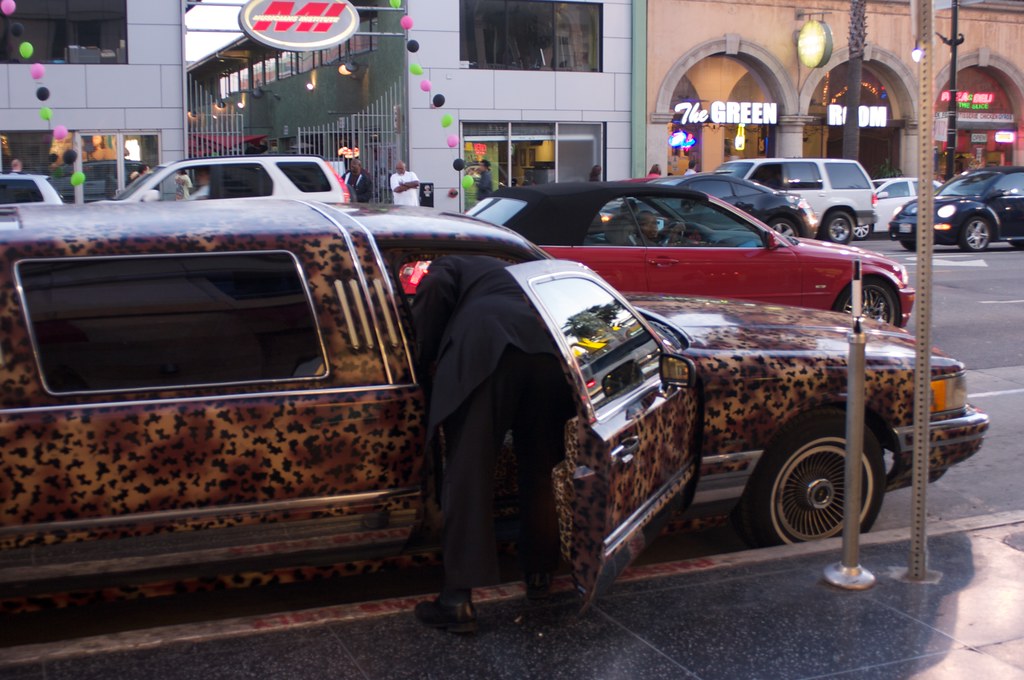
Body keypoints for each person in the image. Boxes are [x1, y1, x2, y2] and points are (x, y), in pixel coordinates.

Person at [411, 255, 575, 634]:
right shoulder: (514, 270)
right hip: (549, 354)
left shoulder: (450, 263)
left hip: (485, 348)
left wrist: (424, 354)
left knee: (469, 473)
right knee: (543, 468)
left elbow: (435, 289)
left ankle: (457, 599)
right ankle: (539, 574)